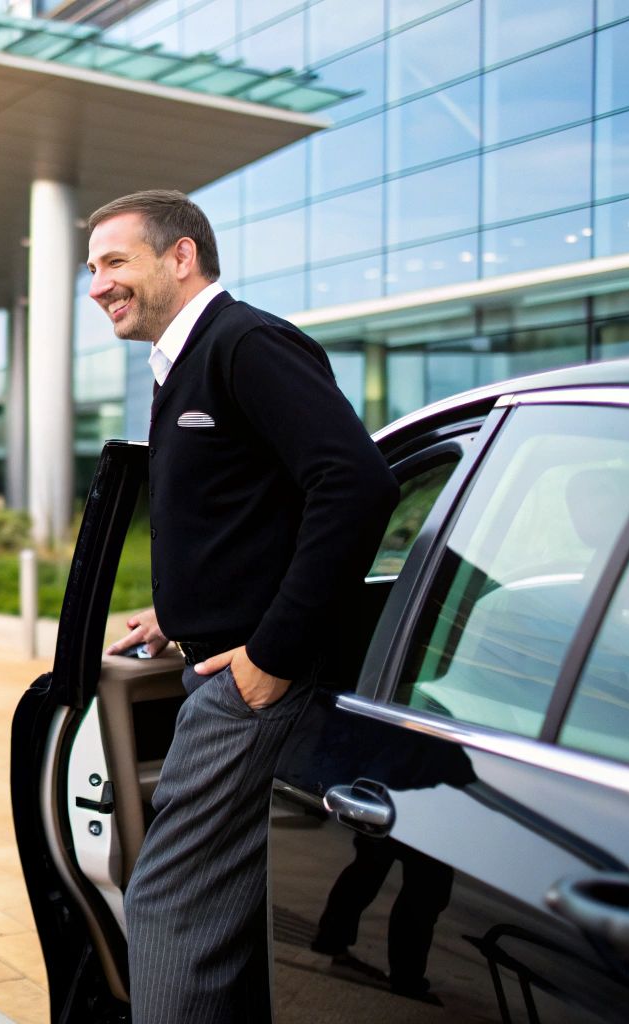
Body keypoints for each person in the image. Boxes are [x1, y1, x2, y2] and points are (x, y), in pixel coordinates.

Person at [90, 190, 398, 1023]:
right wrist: (181, 612)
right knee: (221, 921)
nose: (97, 285)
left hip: (249, 692)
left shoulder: (245, 342)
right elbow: (260, 509)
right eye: (92, 269)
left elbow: (355, 484)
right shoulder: (181, 363)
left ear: (180, 256)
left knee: (169, 905)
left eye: (115, 262)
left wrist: (268, 659)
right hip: (225, 666)